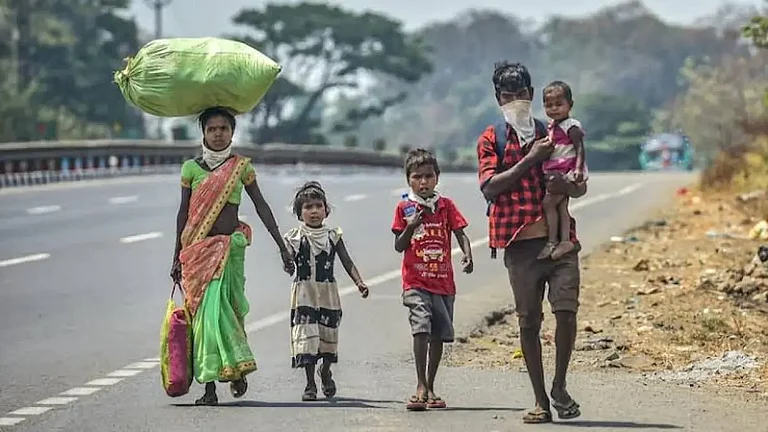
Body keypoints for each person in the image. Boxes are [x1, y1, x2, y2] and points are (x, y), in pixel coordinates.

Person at [477, 62, 587, 424]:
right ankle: (541, 399)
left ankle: (559, 385)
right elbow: (490, 187)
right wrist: (531, 159)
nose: (517, 101)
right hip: (520, 247)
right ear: (498, 98)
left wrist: (568, 187)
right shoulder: (492, 138)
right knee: (528, 324)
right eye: (508, 96)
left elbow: (578, 183)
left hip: (559, 243)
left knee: (566, 312)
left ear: (531, 93)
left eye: (522, 94)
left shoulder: (553, 131)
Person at [170, 106, 294, 406]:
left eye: (223, 128)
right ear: (203, 133)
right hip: (197, 253)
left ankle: (235, 369)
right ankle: (210, 387)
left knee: (226, 313)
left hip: (229, 251)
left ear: (232, 132)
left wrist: (281, 246)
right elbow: (183, 214)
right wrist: (176, 256)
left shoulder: (241, 168)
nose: (217, 134)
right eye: (212, 129)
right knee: (205, 319)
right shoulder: (191, 169)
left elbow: (263, 207)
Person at [391, 149, 473, 411]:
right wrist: (411, 226)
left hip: (443, 282)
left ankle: (431, 384)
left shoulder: (446, 205)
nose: (423, 182)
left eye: (428, 176)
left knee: (438, 334)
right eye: (417, 177)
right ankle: (419, 384)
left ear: (437, 178)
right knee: (421, 327)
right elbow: (399, 245)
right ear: (409, 180)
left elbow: (460, 233)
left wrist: (468, 255)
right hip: (416, 281)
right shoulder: (404, 208)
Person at [283, 181, 369, 402]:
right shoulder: (295, 236)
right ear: (299, 213)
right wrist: (288, 261)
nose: (314, 211)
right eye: (308, 207)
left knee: (328, 336)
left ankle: (326, 371)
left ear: (326, 210)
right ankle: (310, 383)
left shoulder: (333, 236)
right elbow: (289, 259)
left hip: (328, 294)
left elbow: (347, 261)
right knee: (307, 338)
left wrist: (359, 282)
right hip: (304, 293)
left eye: (318, 206)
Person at [537, 80, 588, 260]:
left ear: (570, 105)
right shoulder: (552, 126)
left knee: (548, 204)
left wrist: (578, 170)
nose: (554, 109)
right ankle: (565, 240)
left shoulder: (571, 125)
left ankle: (553, 241)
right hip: (556, 171)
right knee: (560, 206)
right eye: (549, 105)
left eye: (559, 104)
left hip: (566, 172)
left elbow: (580, 148)